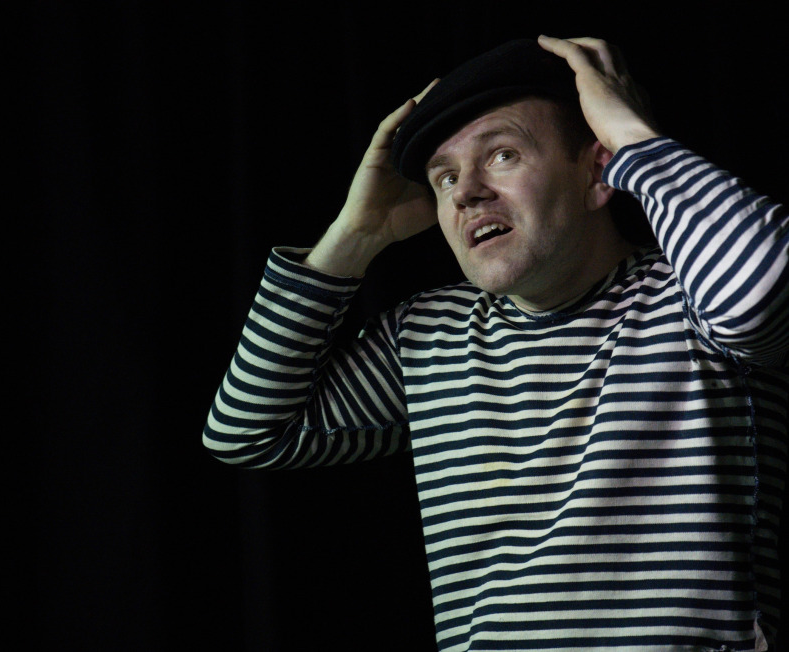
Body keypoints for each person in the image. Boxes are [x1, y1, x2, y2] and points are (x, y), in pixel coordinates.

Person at [204, 36, 786, 652]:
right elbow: (247, 432)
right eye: (445, 177)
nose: (466, 192)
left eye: (503, 154)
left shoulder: (695, 295)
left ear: (597, 171)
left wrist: (630, 134)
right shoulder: (427, 334)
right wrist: (357, 233)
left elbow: (761, 289)